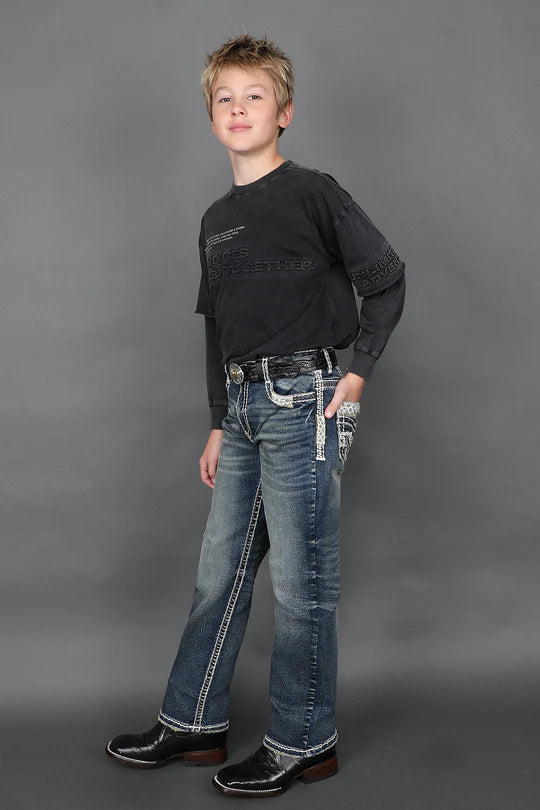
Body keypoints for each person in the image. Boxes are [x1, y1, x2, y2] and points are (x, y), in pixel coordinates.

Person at [105, 32, 406, 798]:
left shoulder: (313, 193)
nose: (239, 109)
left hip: (303, 401)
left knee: (301, 586)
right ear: (211, 116)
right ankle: (192, 722)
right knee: (219, 575)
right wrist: (218, 419)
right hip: (242, 409)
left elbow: (386, 277)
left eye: (255, 96)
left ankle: (305, 741)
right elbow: (219, 328)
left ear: (285, 111)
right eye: (225, 98)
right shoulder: (216, 220)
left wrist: (358, 374)